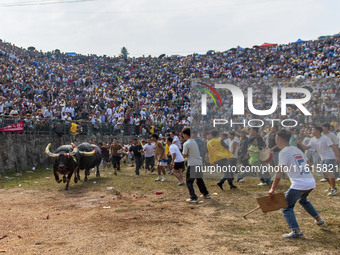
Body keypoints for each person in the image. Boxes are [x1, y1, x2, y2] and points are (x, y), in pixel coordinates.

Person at [268, 129, 325, 238]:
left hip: (300, 184)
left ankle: (296, 231)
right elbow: (308, 164)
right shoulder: (296, 149)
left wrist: (272, 188)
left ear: (279, 139)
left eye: (276, 139)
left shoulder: (284, 152)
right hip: (310, 182)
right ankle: (319, 220)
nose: (276, 142)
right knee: (303, 200)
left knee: (286, 207)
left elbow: (279, 172)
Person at [299, 125, 339, 196]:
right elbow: (307, 148)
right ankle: (331, 187)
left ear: (318, 131)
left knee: (329, 173)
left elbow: (333, 147)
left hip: (329, 157)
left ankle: (333, 189)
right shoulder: (313, 139)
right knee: (325, 174)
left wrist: (337, 156)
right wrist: (300, 144)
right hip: (323, 158)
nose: (312, 132)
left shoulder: (325, 138)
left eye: (313, 130)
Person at [182, 127, 210, 203]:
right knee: (199, 179)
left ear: (185, 134)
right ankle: (206, 193)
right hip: (198, 163)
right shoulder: (194, 141)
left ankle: (193, 197)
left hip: (192, 164)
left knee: (189, 181)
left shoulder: (186, 143)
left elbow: (184, 155)